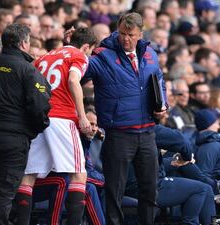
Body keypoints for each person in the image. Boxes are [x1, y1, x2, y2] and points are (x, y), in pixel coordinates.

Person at [85, 12, 166, 225]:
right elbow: (80, 72)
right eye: (122, 33)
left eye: (130, 34)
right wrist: (74, 49)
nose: (125, 38)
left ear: (140, 34)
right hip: (119, 133)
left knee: (150, 188)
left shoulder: (150, 53)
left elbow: (158, 79)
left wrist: (162, 105)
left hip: (148, 131)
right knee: (114, 191)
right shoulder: (102, 55)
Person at [0, 23, 51, 225]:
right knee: (2, 193)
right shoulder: (28, 71)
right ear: (23, 43)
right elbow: (41, 108)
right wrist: (33, 130)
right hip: (13, 141)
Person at [14, 27, 97, 225]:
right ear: (86, 47)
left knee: (28, 176)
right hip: (62, 118)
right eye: (90, 51)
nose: (90, 56)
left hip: (38, 119)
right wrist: (82, 116)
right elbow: (73, 80)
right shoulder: (79, 55)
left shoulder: (45, 56)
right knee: (79, 173)